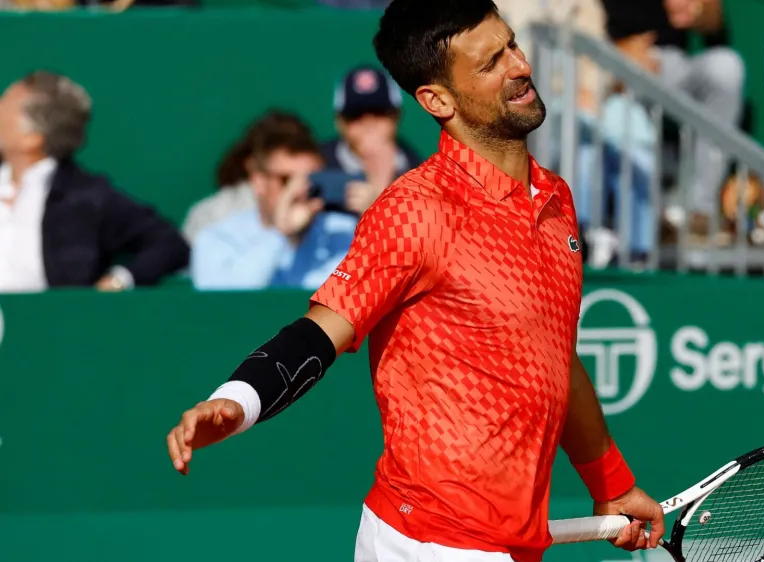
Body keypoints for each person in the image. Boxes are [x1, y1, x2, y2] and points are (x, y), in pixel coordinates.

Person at [165, 1, 665, 561]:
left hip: (506, 543)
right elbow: (318, 334)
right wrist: (238, 401)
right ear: (437, 101)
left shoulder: (555, 198)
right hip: (426, 543)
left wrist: (612, 484)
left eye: (511, 45)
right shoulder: (416, 210)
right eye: (490, 63)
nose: (520, 66)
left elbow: (554, 358)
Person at [0, 70, 189, 293]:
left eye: (4, 109)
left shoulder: (86, 196)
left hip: (50, 315)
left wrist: (119, 281)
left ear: (32, 138)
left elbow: (169, 243)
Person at [600, 0, 744, 239]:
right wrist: (619, 52)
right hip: (615, 65)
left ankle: (698, 211)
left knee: (726, 67)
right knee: (619, 110)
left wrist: (698, 9)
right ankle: (643, 220)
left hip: (675, 65)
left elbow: (714, 23)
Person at [189, 111, 357, 291]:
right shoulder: (217, 238)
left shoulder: (346, 233)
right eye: (286, 180)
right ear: (258, 182)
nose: (299, 192)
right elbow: (227, 298)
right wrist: (280, 234)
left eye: (311, 180)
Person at [320, 64, 424, 215]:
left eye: (379, 112)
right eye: (356, 114)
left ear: (397, 115)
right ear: (339, 121)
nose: (368, 122)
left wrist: (378, 209)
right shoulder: (316, 165)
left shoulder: (422, 175)